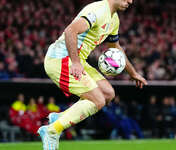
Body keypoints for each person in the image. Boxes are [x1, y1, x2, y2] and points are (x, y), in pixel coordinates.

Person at [38, 0, 147, 149]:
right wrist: (75, 62)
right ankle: (52, 130)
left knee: (108, 94)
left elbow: (115, 48)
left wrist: (133, 73)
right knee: (98, 100)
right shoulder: (97, 10)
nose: (130, 1)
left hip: (78, 60)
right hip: (61, 59)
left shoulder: (114, 19)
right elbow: (71, 31)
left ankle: (60, 118)